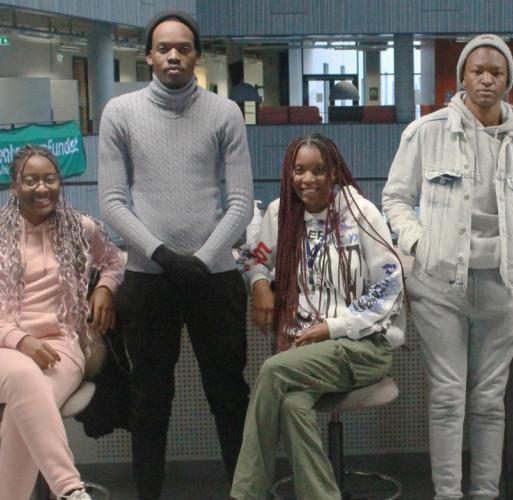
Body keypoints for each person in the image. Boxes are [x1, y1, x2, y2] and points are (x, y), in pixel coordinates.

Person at [382, 34, 513, 499]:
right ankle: (448, 495)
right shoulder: (426, 131)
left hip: (504, 286)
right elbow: (396, 198)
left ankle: (484, 494)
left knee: (489, 402)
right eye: (477, 70)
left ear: (509, 82)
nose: (486, 79)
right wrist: (421, 241)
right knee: (447, 398)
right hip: (440, 286)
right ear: (462, 76)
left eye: (496, 73)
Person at [97, 10, 253, 499]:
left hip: (216, 277)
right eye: (163, 47)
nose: (173, 55)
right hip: (147, 280)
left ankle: (246, 491)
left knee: (229, 395)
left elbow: (242, 203)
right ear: (148, 55)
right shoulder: (119, 113)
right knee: (149, 401)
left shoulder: (224, 113)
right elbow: (112, 202)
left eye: (183, 48)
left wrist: (202, 260)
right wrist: (164, 255)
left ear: (196, 57)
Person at [230, 134, 404, 500]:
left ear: (334, 172)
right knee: (292, 406)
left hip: (360, 346)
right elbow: (255, 256)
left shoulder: (360, 214)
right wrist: (260, 283)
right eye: (299, 170)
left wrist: (333, 327)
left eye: (318, 171)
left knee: (273, 370)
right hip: (302, 350)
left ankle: (245, 495)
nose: (307, 180)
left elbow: (390, 285)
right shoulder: (281, 215)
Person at [0, 145, 124, 500]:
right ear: (14, 186)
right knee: (24, 376)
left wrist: (104, 289)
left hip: (61, 348)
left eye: (50, 179)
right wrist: (20, 341)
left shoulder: (79, 228)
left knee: (20, 418)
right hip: (5, 348)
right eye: (31, 180)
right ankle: (71, 490)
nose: (42, 188)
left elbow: (114, 261)